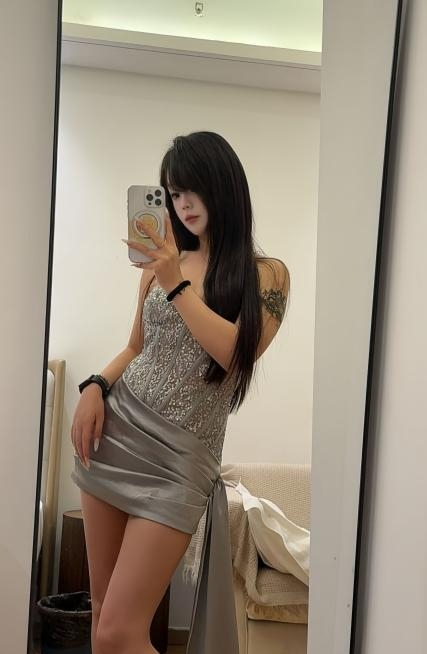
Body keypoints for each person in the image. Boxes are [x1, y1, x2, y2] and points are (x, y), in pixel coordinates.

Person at [70, 131, 290, 654]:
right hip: (114, 436)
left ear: (223, 187)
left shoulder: (266, 274)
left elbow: (236, 356)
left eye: (192, 189)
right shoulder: (157, 269)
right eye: (172, 192)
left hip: (181, 462)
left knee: (120, 631)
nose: (182, 203)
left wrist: (174, 281)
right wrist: (95, 385)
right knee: (102, 621)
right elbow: (135, 347)